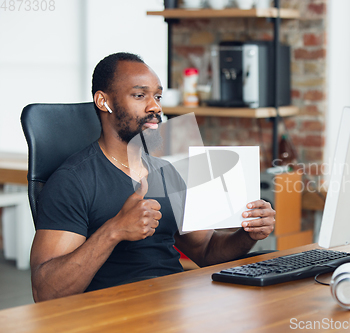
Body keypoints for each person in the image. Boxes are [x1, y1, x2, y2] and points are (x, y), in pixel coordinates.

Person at [30, 52, 276, 302]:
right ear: (104, 102)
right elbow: (46, 292)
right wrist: (114, 230)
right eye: (140, 95)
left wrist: (248, 233)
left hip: (174, 307)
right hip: (112, 315)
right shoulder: (72, 181)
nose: (155, 107)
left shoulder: (165, 171)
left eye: (157, 96)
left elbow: (206, 250)